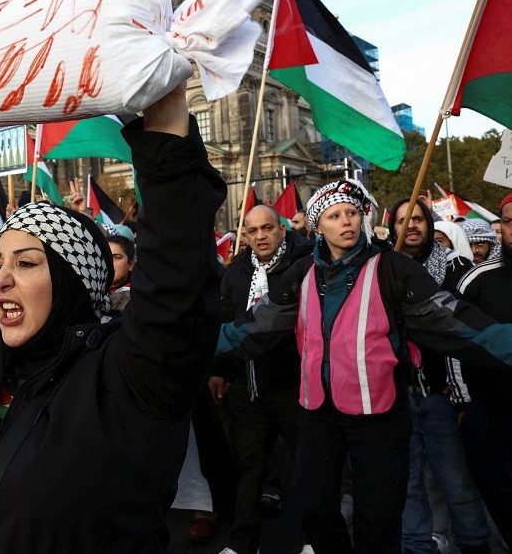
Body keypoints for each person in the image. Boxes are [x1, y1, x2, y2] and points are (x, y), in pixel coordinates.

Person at [0, 81, 226, 552]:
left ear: (74, 282)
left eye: (27, 263)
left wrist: (167, 122)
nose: (0, 282)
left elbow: (177, 277)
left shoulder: (132, 376)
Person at [216, 179, 512, 554]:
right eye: (335, 215)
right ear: (317, 225)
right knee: (315, 505)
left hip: (380, 415)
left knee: (379, 519)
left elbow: (457, 321)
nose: (346, 222)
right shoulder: (301, 272)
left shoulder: (393, 268)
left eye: (352, 213)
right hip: (317, 414)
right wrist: (188, 348)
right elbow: (253, 326)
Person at [387, 198, 491, 554]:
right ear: (393, 228)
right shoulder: (383, 268)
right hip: (397, 396)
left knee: (456, 480)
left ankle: (475, 543)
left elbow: (466, 328)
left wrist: (460, 389)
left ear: (430, 224)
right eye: (402, 220)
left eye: (417, 218)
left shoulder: (455, 266)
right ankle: (418, 545)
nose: (410, 226)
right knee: (410, 482)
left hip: (441, 394)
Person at [210, 205, 312, 554]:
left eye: (267, 228)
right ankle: (241, 543)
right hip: (247, 385)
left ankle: (315, 539)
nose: (260, 236)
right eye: (252, 231)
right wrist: (220, 369)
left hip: (293, 384)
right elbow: (227, 315)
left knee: (309, 466)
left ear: (282, 230)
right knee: (247, 468)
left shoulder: (305, 262)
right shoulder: (237, 269)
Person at [455, 192, 512, 545]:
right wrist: (465, 402)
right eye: (508, 221)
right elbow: (456, 341)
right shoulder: (477, 280)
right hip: (495, 411)